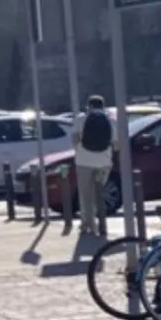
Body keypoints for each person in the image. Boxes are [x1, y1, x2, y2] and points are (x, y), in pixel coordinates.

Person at [73, 94, 114, 237]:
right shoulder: (111, 120)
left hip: (84, 161)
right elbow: (117, 143)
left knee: (86, 195)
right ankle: (101, 223)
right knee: (99, 192)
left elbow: (75, 139)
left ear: (89, 106)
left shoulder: (81, 119)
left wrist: (79, 150)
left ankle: (87, 224)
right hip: (103, 162)